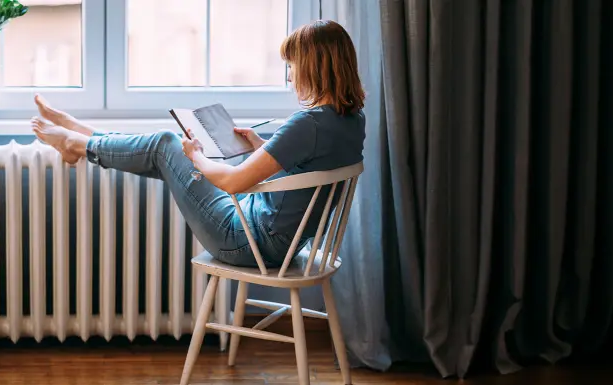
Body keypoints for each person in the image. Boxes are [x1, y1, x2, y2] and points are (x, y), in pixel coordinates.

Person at [31, 20, 364, 268]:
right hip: (274, 237)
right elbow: (311, 166)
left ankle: (82, 143)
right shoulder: (350, 120)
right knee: (164, 150)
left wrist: (197, 156)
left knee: (166, 144)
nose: (290, 77)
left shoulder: (307, 124)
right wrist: (262, 145)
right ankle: (85, 138)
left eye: (292, 67)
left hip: (249, 243)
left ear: (313, 67)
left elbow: (234, 183)